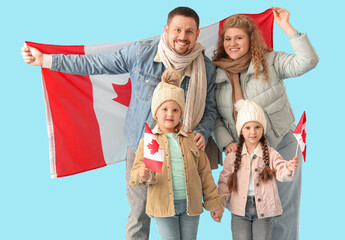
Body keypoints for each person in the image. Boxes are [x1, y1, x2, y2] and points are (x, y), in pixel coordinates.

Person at [21, 7, 217, 240]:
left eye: (189, 31)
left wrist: (203, 132)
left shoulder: (205, 68)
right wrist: (47, 60)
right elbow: (96, 64)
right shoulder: (142, 54)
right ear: (166, 30)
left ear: (196, 34)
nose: (182, 37)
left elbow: (210, 108)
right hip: (144, 149)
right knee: (139, 214)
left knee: (180, 216)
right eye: (177, 30)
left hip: (182, 153)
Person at [212, 7, 319, 240]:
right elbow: (215, 117)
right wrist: (226, 143)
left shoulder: (270, 62)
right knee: (252, 216)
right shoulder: (217, 75)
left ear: (251, 39)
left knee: (283, 214)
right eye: (228, 38)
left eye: (239, 37)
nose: (233, 43)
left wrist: (287, 27)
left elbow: (308, 61)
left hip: (281, 146)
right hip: (245, 157)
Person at [130, 69, 224, 239]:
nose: (170, 114)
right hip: (163, 205)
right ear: (156, 112)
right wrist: (142, 175)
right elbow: (135, 174)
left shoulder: (191, 139)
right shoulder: (148, 142)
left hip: (191, 205)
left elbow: (205, 173)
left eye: (175, 110)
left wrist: (214, 203)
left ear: (181, 113)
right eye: (164, 109)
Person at [218, 99, 299, 240]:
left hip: (264, 210)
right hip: (239, 210)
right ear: (241, 131)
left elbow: (280, 170)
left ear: (263, 129)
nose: (252, 132)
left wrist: (288, 168)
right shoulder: (233, 156)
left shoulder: (270, 153)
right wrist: (218, 205)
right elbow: (224, 182)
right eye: (247, 127)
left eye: (257, 127)